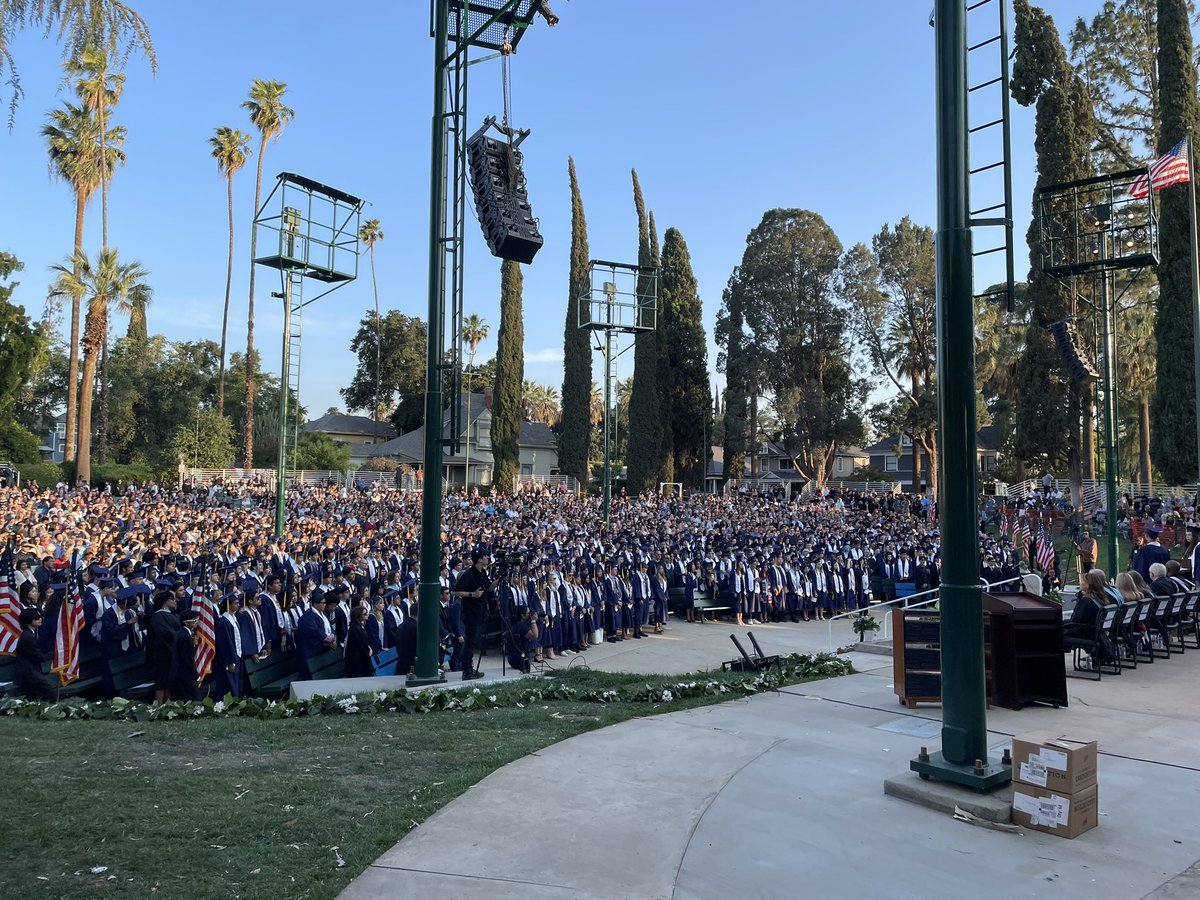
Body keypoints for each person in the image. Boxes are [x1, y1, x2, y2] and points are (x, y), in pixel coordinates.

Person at [453, 550, 491, 680]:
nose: (487, 558)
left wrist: (500, 579)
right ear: (480, 559)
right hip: (470, 611)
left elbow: (489, 587)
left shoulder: (483, 573)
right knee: (470, 641)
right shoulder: (469, 574)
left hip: (480, 610)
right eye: (485, 556)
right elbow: (455, 591)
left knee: (473, 641)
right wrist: (472, 594)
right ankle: (466, 670)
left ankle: (470, 667)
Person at [148, 588, 182, 704]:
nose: (174, 601)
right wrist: (177, 636)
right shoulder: (158, 617)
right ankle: (158, 706)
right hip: (162, 653)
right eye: (171, 599)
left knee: (169, 681)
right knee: (161, 682)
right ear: (165, 602)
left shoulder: (172, 615)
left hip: (172, 652)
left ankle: (168, 705)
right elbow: (164, 633)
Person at [14, 607, 55, 701]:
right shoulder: (28, 637)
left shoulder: (30, 634)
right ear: (28, 621)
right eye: (36, 618)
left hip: (31, 672)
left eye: (40, 616)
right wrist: (53, 654)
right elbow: (37, 656)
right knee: (50, 694)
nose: (40, 619)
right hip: (29, 673)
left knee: (33, 698)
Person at [296, 592, 336, 680]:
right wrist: (327, 638)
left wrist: (332, 634)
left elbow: (329, 626)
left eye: (325, 603)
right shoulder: (308, 616)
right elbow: (314, 631)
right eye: (322, 603)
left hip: (323, 648)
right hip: (311, 649)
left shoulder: (323, 614)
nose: (325, 605)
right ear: (315, 604)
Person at [171, 607, 203, 701]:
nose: (197, 623)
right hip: (185, 674)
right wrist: (196, 675)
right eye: (195, 621)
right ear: (186, 622)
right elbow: (188, 659)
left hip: (178, 672)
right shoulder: (186, 637)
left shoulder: (181, 634)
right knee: (195, 698)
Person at [344, 604, 374, 678]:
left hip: (361, 656)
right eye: (364, 614)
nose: (367, 615)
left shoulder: (360, 626)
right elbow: (360, 643)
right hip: (357, 660)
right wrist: (368, 651)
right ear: (358, 616)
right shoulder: (355, 628)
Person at [507, 604, 538, 674]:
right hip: (520, 659)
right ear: (522, 616)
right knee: (527, 672)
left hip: (513, 657)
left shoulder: (516, 624)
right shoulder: (521, 626)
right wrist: (533, 621)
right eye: (528, 613)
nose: (529, 615)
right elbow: (535, 635)